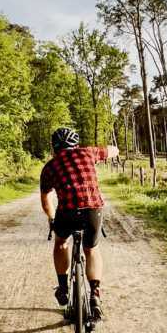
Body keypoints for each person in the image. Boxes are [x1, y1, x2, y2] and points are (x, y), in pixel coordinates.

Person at [40, 127, 119, 319]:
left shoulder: (50, 167)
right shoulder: (89, 152)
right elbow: (113, 150)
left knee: (61, 243)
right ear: (76, 144)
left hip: (66, 212)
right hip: (93, 209)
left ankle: (63, 287)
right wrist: (112, 150)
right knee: (91, 249)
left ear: (54, 147)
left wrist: (52, 219)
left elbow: (46, 199)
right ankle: (95, 295)